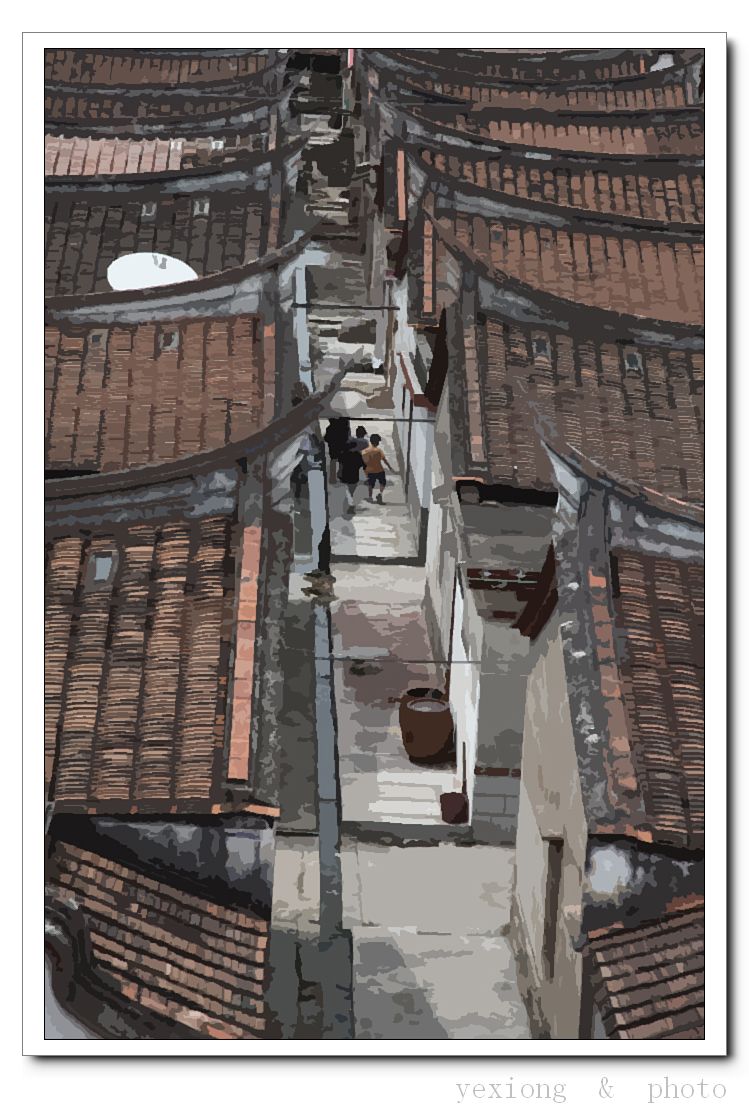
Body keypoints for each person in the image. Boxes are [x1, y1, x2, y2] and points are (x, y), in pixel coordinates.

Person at [361, 433, 393, 504]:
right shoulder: (379, 451)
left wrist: (365, 472)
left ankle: (370, 497)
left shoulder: (365, 451)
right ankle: (380, 494)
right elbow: (384, 460)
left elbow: (364, 463)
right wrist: (390, 467)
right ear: (377, 442)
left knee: (370, 485)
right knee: (383, 483)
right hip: (380, 470)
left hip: (370, 471)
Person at [338, 438, 365, 511]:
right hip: (354, 475)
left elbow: (340, 464)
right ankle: (351, 502)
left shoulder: (343, 454)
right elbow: (362, 464)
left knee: (347, 489)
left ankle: (351, 502)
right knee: (352, 488)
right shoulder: (357, 454)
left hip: (345, 474)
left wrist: (339, 472)